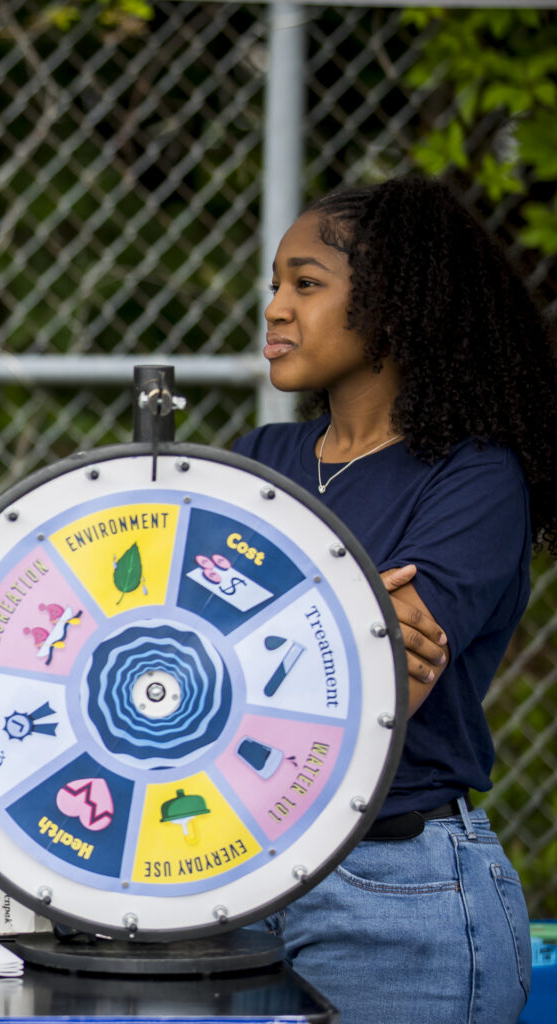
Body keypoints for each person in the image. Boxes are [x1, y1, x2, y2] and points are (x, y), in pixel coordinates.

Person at [238, 176, 551, 1021]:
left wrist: (250, 636)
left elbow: (380, 693)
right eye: (274, 284)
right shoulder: (258, 458)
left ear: (395, 305)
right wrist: (343, 619)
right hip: (226, 872)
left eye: (306, 284)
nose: (274, 308)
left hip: (397, 891)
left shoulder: (477, 477)